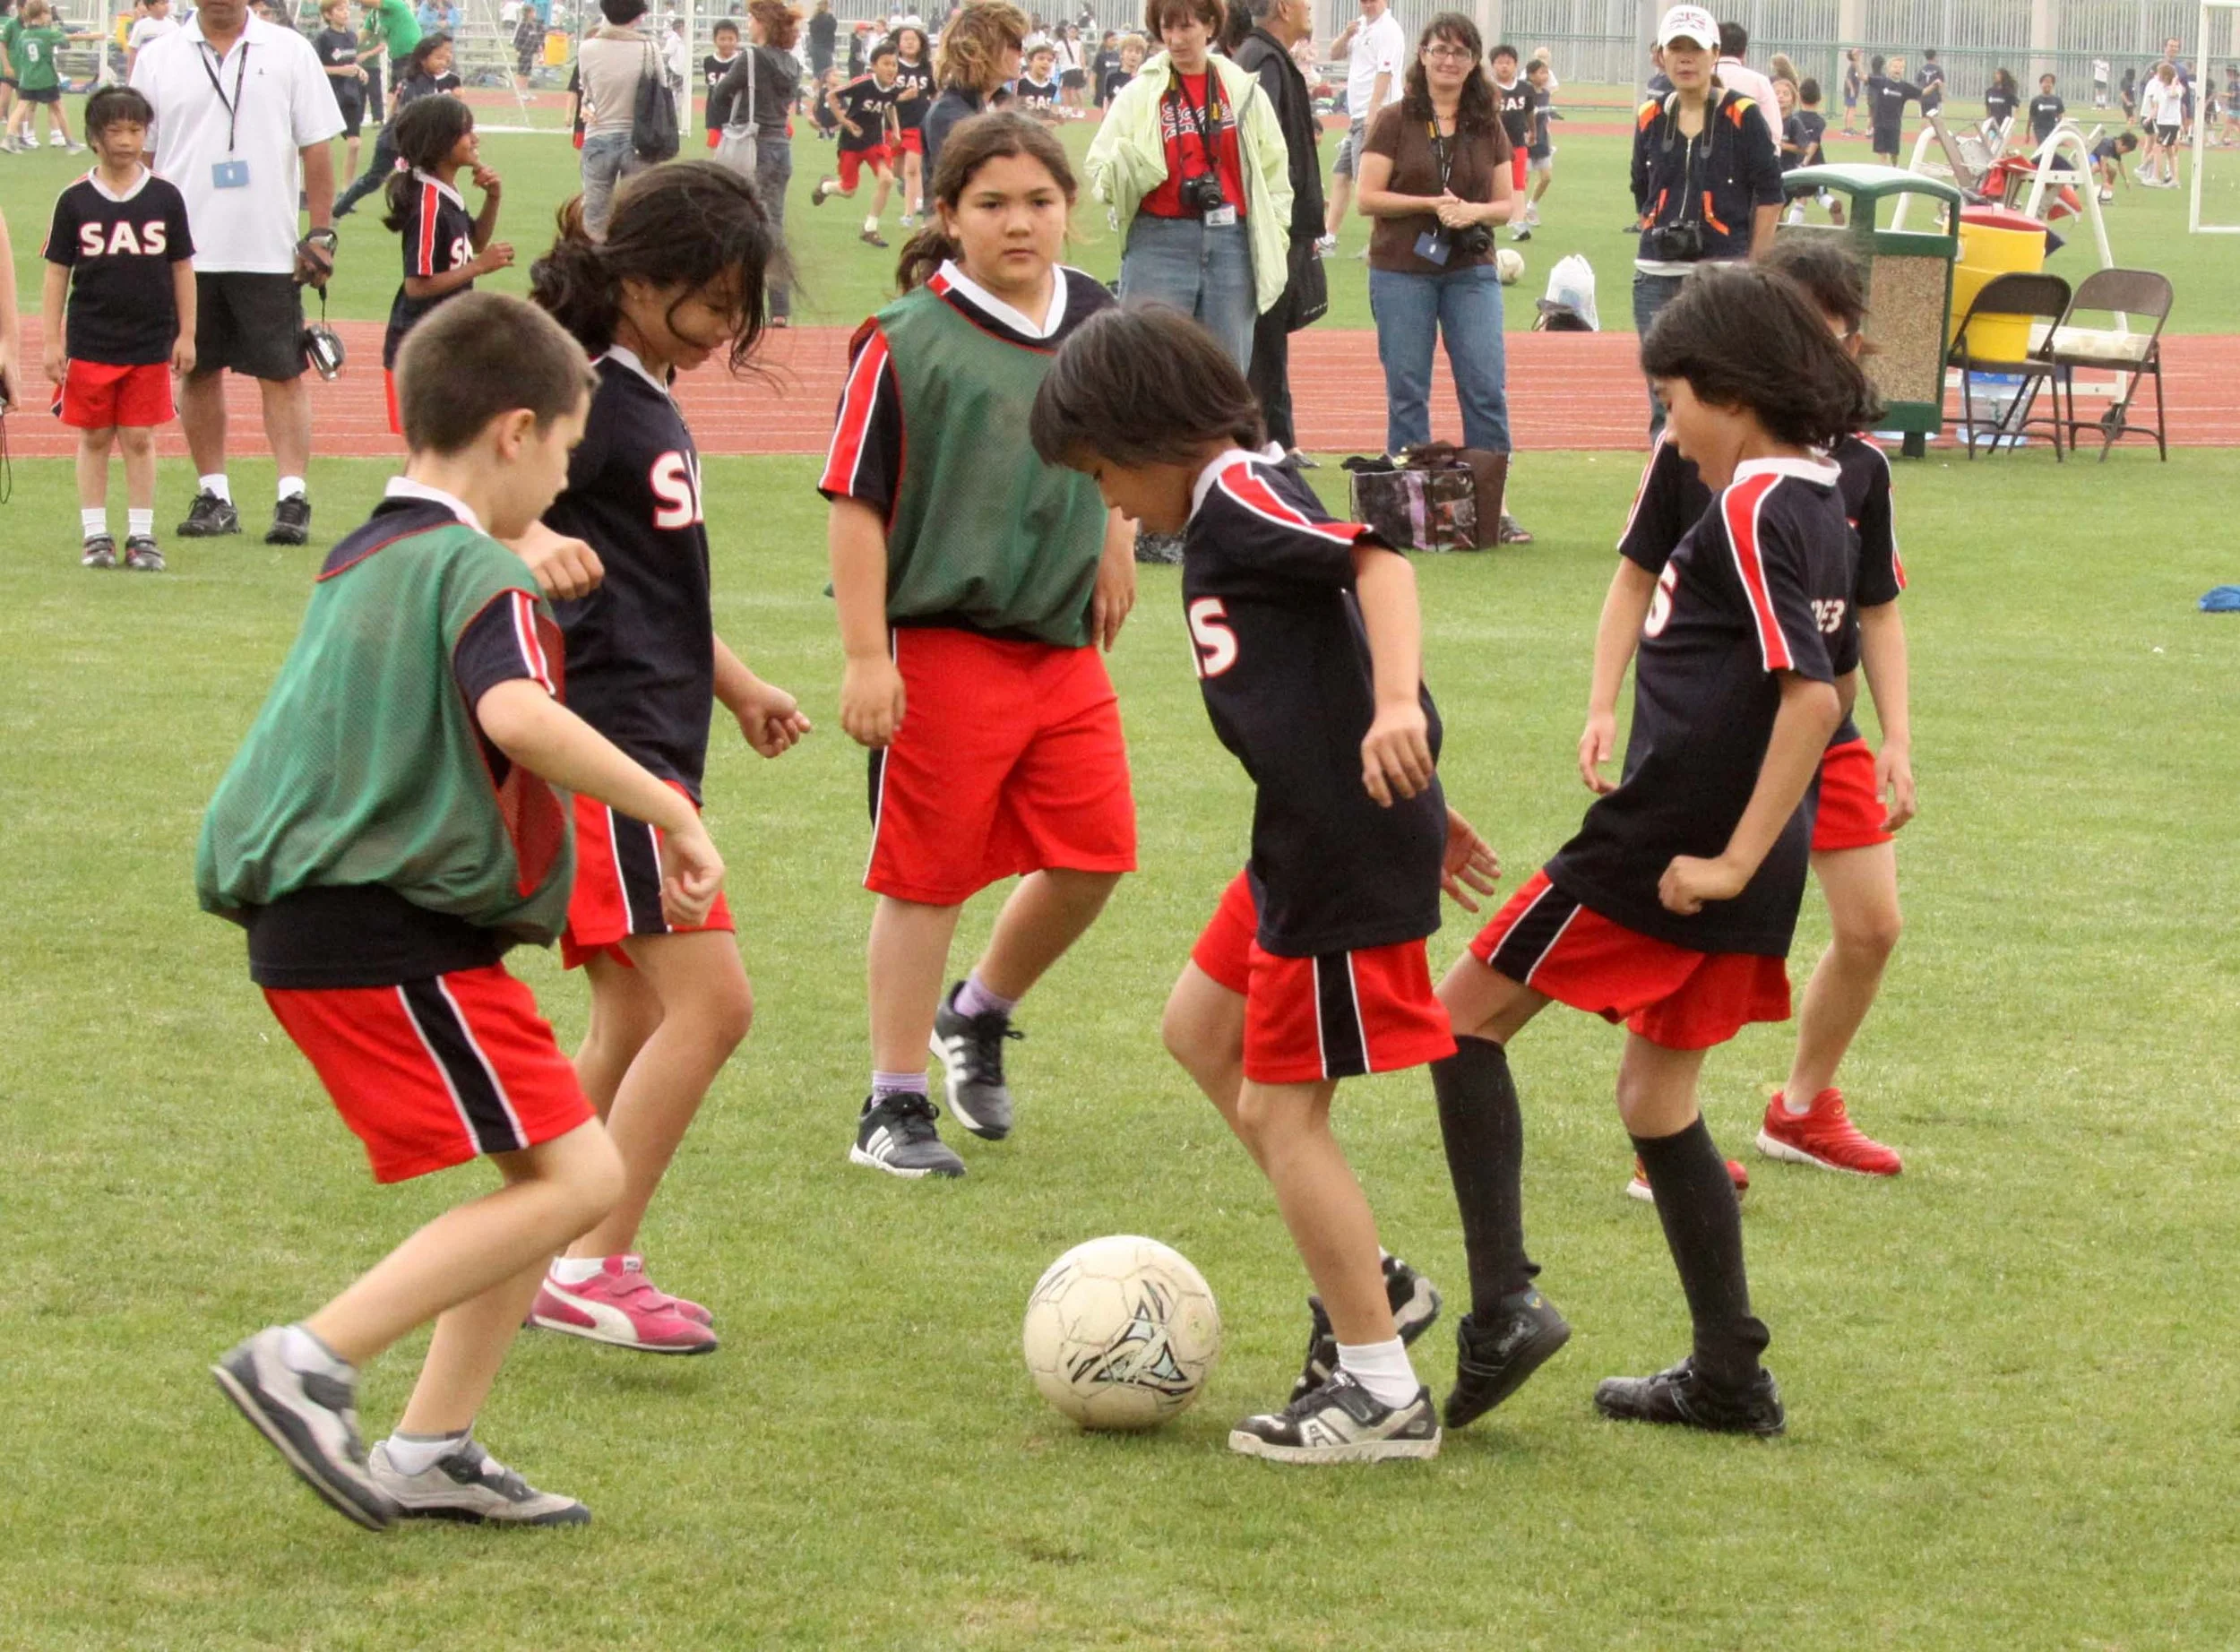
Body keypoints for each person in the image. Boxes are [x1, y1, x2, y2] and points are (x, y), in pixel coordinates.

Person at [199, 291, 711, 1532]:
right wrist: (673, 812)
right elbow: (519, 717)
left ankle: (432, 1449)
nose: (562, 481)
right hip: (380, 928)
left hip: (351, 923)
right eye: (566, 454)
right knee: (581, 1172)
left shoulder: (370, 548)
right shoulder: (482, 572)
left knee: (549, 1171)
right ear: (515, 432)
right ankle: (308, 1360)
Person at [1031, 305, 1504, 1464]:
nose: (1111, 503)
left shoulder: (1238, 494)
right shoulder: (1230, 501)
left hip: (1335, 843)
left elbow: (1378, 563)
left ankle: (1382, 1393)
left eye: (1104, 473)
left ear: (1150, 433)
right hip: (1305, 829)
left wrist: (1399, 715)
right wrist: (1420, 787)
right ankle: (1374, 1287)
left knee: (1280, 1111)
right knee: (1200, 1030)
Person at [1429, 261, 1879, 1439]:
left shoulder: (1749, 506)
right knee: (1656, 1093)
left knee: (1456, 1019)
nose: (1667, 430)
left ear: (1730, 393)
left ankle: (1500, 1305)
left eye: (1672, 401)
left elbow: (1813, 702)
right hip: (1738, 847)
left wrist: (1727, 861)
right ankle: (1729, 1374)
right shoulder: (1824, 491)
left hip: (1667, 845)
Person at [521, 163, 809, 1353]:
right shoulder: (579, 393)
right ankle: (597, 1261)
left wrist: (738, 689)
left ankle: (532, 1250)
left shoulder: (642, 390)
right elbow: (449, 490)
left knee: (636, 1017)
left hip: (656, 740)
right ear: (637, 281)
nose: (730, 327)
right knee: (714, 1004)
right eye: (713, 300)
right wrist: (529, 533)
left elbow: (654, 590)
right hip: (612, 750)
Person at [819, 113, 1138, 1179]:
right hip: (945, 643)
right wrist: (869, 656)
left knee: (1094, 857)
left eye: (1039, 202)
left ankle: (978, 1011)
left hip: (1059, 648)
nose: (1018, 222)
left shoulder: (1098, 316)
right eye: (991, 203)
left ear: (1069, 209)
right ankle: (890, 1102)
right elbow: (855, 506)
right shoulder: (904, 338)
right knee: (926, 878)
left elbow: (1133, 447)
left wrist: (1117, 536)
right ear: (947, 215)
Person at [1591, 239, 1909, 1203]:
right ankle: (1663, 1126)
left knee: (1871, 924)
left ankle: (1801, 1108)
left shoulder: (1851, 468)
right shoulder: (1696, 443)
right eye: (1801, 326)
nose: (1820, 349)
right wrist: (1602, 701)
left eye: (1835, 330)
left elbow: (1874, 607)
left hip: (1822, 724)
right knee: (1692, 923)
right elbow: (1634, 573)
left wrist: (1897, 734)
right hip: (1726, 733)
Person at [133, 0, 342, 546]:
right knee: (196, 370)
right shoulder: (158, 57)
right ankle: (214, 494)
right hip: (185, 251)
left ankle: (292, 496)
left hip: (269, 247)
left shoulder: (290, 51)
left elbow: (317, 149)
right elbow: (145, 160)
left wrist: (321, 232)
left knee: (282, 373)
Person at [1357, 12, 1531, 543]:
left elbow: (1509, 205)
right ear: (1423, 56)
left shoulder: (1487, 122)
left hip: (1469, 269)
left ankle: (1489, 508)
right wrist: (1432, 203)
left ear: (1474, 61)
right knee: (1407, 388)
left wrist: (1470, 213)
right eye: (1439, 50)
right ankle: (1413, 507)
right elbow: (1367, 197)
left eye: (1460, 52)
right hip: (1401, 268)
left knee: (1484, 386)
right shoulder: (1395, 119)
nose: (1449, 60)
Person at [1086, 0, 1295, 374]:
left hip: (1232, 244)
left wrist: (1275, 233)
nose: (1175, 39)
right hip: (1157, 242)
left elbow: (1275, 170)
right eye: (1167, 28)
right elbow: (1099, 169)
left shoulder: (1242, 90)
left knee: (1224, 376)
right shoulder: (1140, 94)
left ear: (1211, 26)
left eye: (1186, 27)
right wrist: (1130, 170)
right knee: (1148, 375)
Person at [41, 85, 194, 573]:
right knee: (94, 437)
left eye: (136, 129)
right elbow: (56, 272)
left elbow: (182, 267)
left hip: (149, 341)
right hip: (91, 341)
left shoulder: (166, 197)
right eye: (116, 131)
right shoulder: (75, 200)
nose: (127, 140)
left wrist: (187, 332)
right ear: (94, 137)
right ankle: (95, 533)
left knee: (140, 437)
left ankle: (142, 534)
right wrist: (51, 338)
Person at [1628, 4, 1780, 433]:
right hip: (1656, 273)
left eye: (1694, 49)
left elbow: (1771, 195)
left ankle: (1720, 491)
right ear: (1660, 56)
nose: (1685, 59)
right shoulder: (1650, 116)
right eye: (1675, 48)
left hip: (1723, 273)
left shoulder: (1742, 114)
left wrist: (1753, 266)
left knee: (1723, 389)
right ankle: (1668, 486)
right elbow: (1642, 188)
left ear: (1715, 54)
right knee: (1663, 394)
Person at [380, 94, 510, 434]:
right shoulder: (428, 205)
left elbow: (473, 244)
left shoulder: (445, 191)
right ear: (440, 140)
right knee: (434, 444)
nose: (475, 139)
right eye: (467, 132)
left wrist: (493, 198)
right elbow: (417, 284)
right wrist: (479, 267)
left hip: (449, 336)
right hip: (420, 343)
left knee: (457, 440)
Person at [1229, 0, 1321, 464]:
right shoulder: (1262, 58)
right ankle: (1266, 441)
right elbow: (1257, 143)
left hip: (1282, 219)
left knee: (1273, 334)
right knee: (1264, 336)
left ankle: (1280, 438)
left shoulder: (1266, 57)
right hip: (1272, 222)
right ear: (1284, 6)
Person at [709, 0, 801, 323]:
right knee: (774, 224)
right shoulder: (792, 63)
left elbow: (721, 93)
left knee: (741, 223)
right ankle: (779, 308)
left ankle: (743, 302)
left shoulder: (750, 57)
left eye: (751, 18)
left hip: (753, 144)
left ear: (762, 22)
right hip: (780, 144)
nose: (748, 23)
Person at [334, 30, 460, 218]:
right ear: (423, 59)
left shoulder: (425, 80)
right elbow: (410, 113)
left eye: (447, 56)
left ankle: (422, 210)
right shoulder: (416, 83)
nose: (445, 61)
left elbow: (396, 107)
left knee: (424, 174)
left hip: (404, 138)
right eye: (439, 57)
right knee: (375, 179)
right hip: (397, 140)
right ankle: (339, 208)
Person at [1320, 0, 1404, 249]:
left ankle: (1380, 241)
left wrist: (1373, 112)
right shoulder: (1360, 28)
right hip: (1356, 116)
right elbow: (1334, 54)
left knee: (1367, 182)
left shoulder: (1389, 30)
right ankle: (1329, 235)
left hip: (1375, 116)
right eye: (1363, 1)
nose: (1367, 5)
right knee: (1341, 173)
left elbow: (1385, 72)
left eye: (1371, 1)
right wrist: (1346, 35)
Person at [575, 0, 658, 240]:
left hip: (598, 134)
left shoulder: (587, 48)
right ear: (638, 15)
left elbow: (587, 90)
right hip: (638, 139)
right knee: (637, 216)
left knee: (594, 217)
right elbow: (661, 92)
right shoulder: (649, 48)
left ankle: (593, 271)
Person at [811, 37, 901, 246]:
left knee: (887, 179)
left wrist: (896, 129)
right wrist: (843, 120)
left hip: (874, 141)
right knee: (848, 190)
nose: (891, 69)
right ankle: (825, 187)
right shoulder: (863, 84)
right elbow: (831, 95)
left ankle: (870, 228)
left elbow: (890, 105)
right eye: (886, 64)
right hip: (851, 142)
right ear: (874, 66)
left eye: (894, 64)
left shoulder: (894, 88)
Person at [920, 0, 1026, 176]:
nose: (1022, 53)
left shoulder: (1006, 105)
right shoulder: (949, 115)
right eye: (1015, 44)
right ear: (984, 49)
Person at [6, 0, 77, 152]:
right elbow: (64, 39)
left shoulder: (24, 34)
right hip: (45, 78)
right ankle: (70, 142)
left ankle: (9, 139)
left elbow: (21, 54)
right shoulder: (47, 33)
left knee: (20, 108)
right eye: (48, 13)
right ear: (41, 15)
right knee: (58, 108)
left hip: (27, 79)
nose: (50, 16)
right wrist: (92, 37)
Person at [314, 0, 370, 184]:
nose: (346, 13)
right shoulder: (323, 38)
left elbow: (350, 62)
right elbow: (315, 68)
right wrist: (339, 71)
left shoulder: (352, 37)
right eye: (340, 9)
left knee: (355, 144)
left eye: (347, 9)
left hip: (351, 94)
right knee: (321, 146)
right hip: (330, 95)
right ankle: (308, 189)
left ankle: (346, 191)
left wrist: (359, 70)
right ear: (328, 15)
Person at [1711, 20, 1781, 149]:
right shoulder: (1759, 82)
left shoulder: (1698, 79)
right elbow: (1774, 133)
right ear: (1743, 52)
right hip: (1750, 161)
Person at [890, 24, 933, 225]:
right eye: (905, 38)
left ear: (921, 43)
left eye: (913, 39)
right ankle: (911, 190)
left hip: (919, 123)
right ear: (898, 43)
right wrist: (902, 96)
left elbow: (935, 91)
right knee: (896, 170)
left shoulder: (927, 68)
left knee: (913, 169)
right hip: (895, 123)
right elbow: (883, 95)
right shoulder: (892, 65)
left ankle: (908, 214)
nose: (909, 42)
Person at [1487, 43, 1531, 224]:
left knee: (1518, 184)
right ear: (1492, 65)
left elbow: (1529, 112)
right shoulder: (1487, 88)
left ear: (1515, 64)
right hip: (1491, 144)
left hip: (1517, 143)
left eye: (1508, 62)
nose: (1504, 66)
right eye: (1499, 62)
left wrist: (1533, 131)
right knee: (1489, 182)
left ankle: (1519, 222)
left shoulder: (1524, 88)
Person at [1521, 56, 1556, 235]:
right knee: (1522, 181)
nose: (1546, 75)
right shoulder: (1524, 93)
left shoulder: (1545, 93)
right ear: (1531, 75)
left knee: (1546, 177)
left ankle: (1531, 207)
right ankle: (1518, 218)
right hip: (1525, 142)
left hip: (1542, 141)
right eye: (1541, 72)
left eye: (1546, 72)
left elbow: (1544, 118)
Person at [1865, 54, 1919, 165]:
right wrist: (1856, 62)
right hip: (1880, 122)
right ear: (1888, 68)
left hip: (1894, 124)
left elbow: (1921, 93)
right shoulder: (1881, 81)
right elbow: (1863, 77)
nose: (1897, 69)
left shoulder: (1904, 86)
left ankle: (1895, 166)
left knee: (1894, 153)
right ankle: (1884, 171)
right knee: (1882, 152)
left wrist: (1934, 87)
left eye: (1900, 67)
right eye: (1895, 66)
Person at [2136, 64, 2176, 184]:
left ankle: (2148, 171)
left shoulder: (2154, 83)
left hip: (2150, 115)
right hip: (2154, 116)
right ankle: (2147, 170)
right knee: (2157, 145)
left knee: (2152, 144)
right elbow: (2154, 102)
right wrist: (2152, 116)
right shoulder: (2156, 84)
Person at [125, 0, 178, 76]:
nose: (166, 6)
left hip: (166, 70)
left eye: (167, 3)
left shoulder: (174, 26)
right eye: (162, 3)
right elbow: (133, 50)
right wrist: (130, 74)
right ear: (151, 6)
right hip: (146, 68)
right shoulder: (141, 26)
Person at [1015, 40, 1061, 111]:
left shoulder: (1052, 88)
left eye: (1050, 60)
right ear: (1030, 61)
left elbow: (1053, 110)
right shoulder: (1018, 83)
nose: (1046, 62)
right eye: (1041, 58)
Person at [512, 0, 543, 93]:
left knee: (527, 73)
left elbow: (535, 39)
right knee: (521, 73)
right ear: (528, 13)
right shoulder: (523, 25)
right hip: (523, 52)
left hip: (530, 53)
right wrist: (518, 50)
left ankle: (525, 91)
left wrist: (538, 49)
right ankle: (518, 92)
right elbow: (518, 39)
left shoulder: (533, 25)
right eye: (533, 12)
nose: (534, 14)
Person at [1983, 66, 2018, 143]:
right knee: (1991, 142)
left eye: (1998, 74)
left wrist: (2013, 122)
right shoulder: (1989, 91)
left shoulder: (2008, 93)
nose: (1996, 76)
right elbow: (1988, 107)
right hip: (1993, 123)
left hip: (2004, 123)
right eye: (1996, 74)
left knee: (2000, 144)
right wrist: (1988, 119)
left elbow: (2015, 107)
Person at [807, 0, 835, 78]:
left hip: (815, 48)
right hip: (824, 48)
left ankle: (814, 89)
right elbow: (833, 27)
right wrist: (831, 15)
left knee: (817, 74)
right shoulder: (828, 18)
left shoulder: (814, 18)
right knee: (828, 73)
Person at [1916, 47, 1943, 116]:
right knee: (1934, 119)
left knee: (1924, 118)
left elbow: (1918, 83)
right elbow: (1941, 85)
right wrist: (1942, 97)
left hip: (1923, 97)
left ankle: (1925, 127)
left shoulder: (1922, 69)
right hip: (1934, 98)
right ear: (1935, 57)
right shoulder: (1938, 69)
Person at [1839, 46, 1860, 133]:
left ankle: (1847, 128)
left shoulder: (1855, 65)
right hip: (1851, 91)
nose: (1859, 54)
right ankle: (1849, 128)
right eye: (1856, 53)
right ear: (1853, 56)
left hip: (1850, 90)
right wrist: (1852, 89)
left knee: (1848, 108)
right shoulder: (1853, 65)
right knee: (1851, 109)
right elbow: (1848, 79)